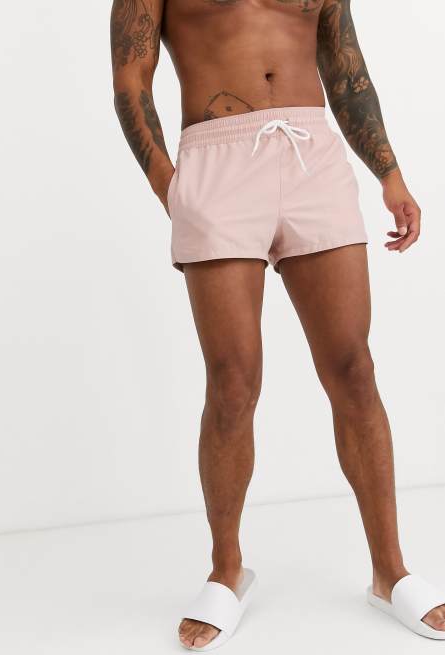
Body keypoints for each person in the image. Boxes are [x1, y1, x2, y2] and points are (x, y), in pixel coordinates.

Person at [111, 0, 445, 649]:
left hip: (312, 153)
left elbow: (345, 67)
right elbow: (131, 76)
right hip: (215, 161)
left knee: (353, 367)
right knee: (232, 381)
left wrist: (390, 174)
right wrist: (170, 186)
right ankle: (226, 569)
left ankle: (390, 571)